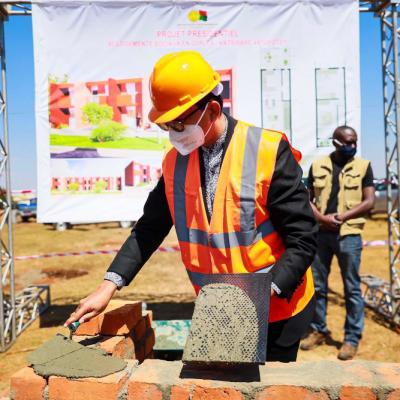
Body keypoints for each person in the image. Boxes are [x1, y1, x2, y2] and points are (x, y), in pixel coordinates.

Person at [65, 51, 318, 362]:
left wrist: (267, 292)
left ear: (211, 109)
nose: (174, 134)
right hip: (220, 311)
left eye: (179, 123)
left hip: (277, 310)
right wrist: (108, 286)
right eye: (166, 125)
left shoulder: (266, 150)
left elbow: (303, 239)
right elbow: (149, 229)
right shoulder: (174, 164)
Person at [300, 126, 375, 360]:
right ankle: (318, 330)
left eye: (355, 142)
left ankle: (352, 338)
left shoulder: (363, 166)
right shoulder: (318, 165)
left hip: (349, 235)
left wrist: (342, 217)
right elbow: (307, 198)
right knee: (318, 286)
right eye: (347, 142)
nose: (352, 146)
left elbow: (370, 200)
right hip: (321, 234)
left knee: (351, 288)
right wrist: (323, 219)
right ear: (335, 142)